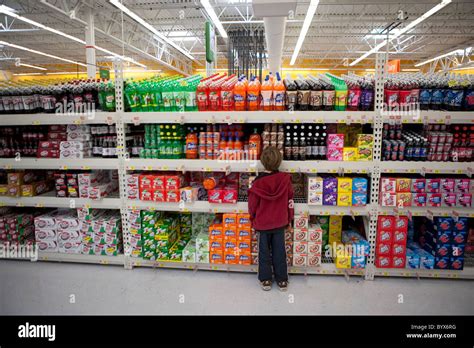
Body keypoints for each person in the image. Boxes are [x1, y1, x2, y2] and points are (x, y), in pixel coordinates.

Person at [248, 146, 294, 291]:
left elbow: (252, 205)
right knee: (280, 251)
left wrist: (253, 219)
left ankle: (266, 280)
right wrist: (290, 219)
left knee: (264, 252)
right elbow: (290, 201)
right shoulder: (285, 180)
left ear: (262, 162)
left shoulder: (257, 183)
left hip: (262, 224)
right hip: (280, 222)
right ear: (279, 161)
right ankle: (282, 281)